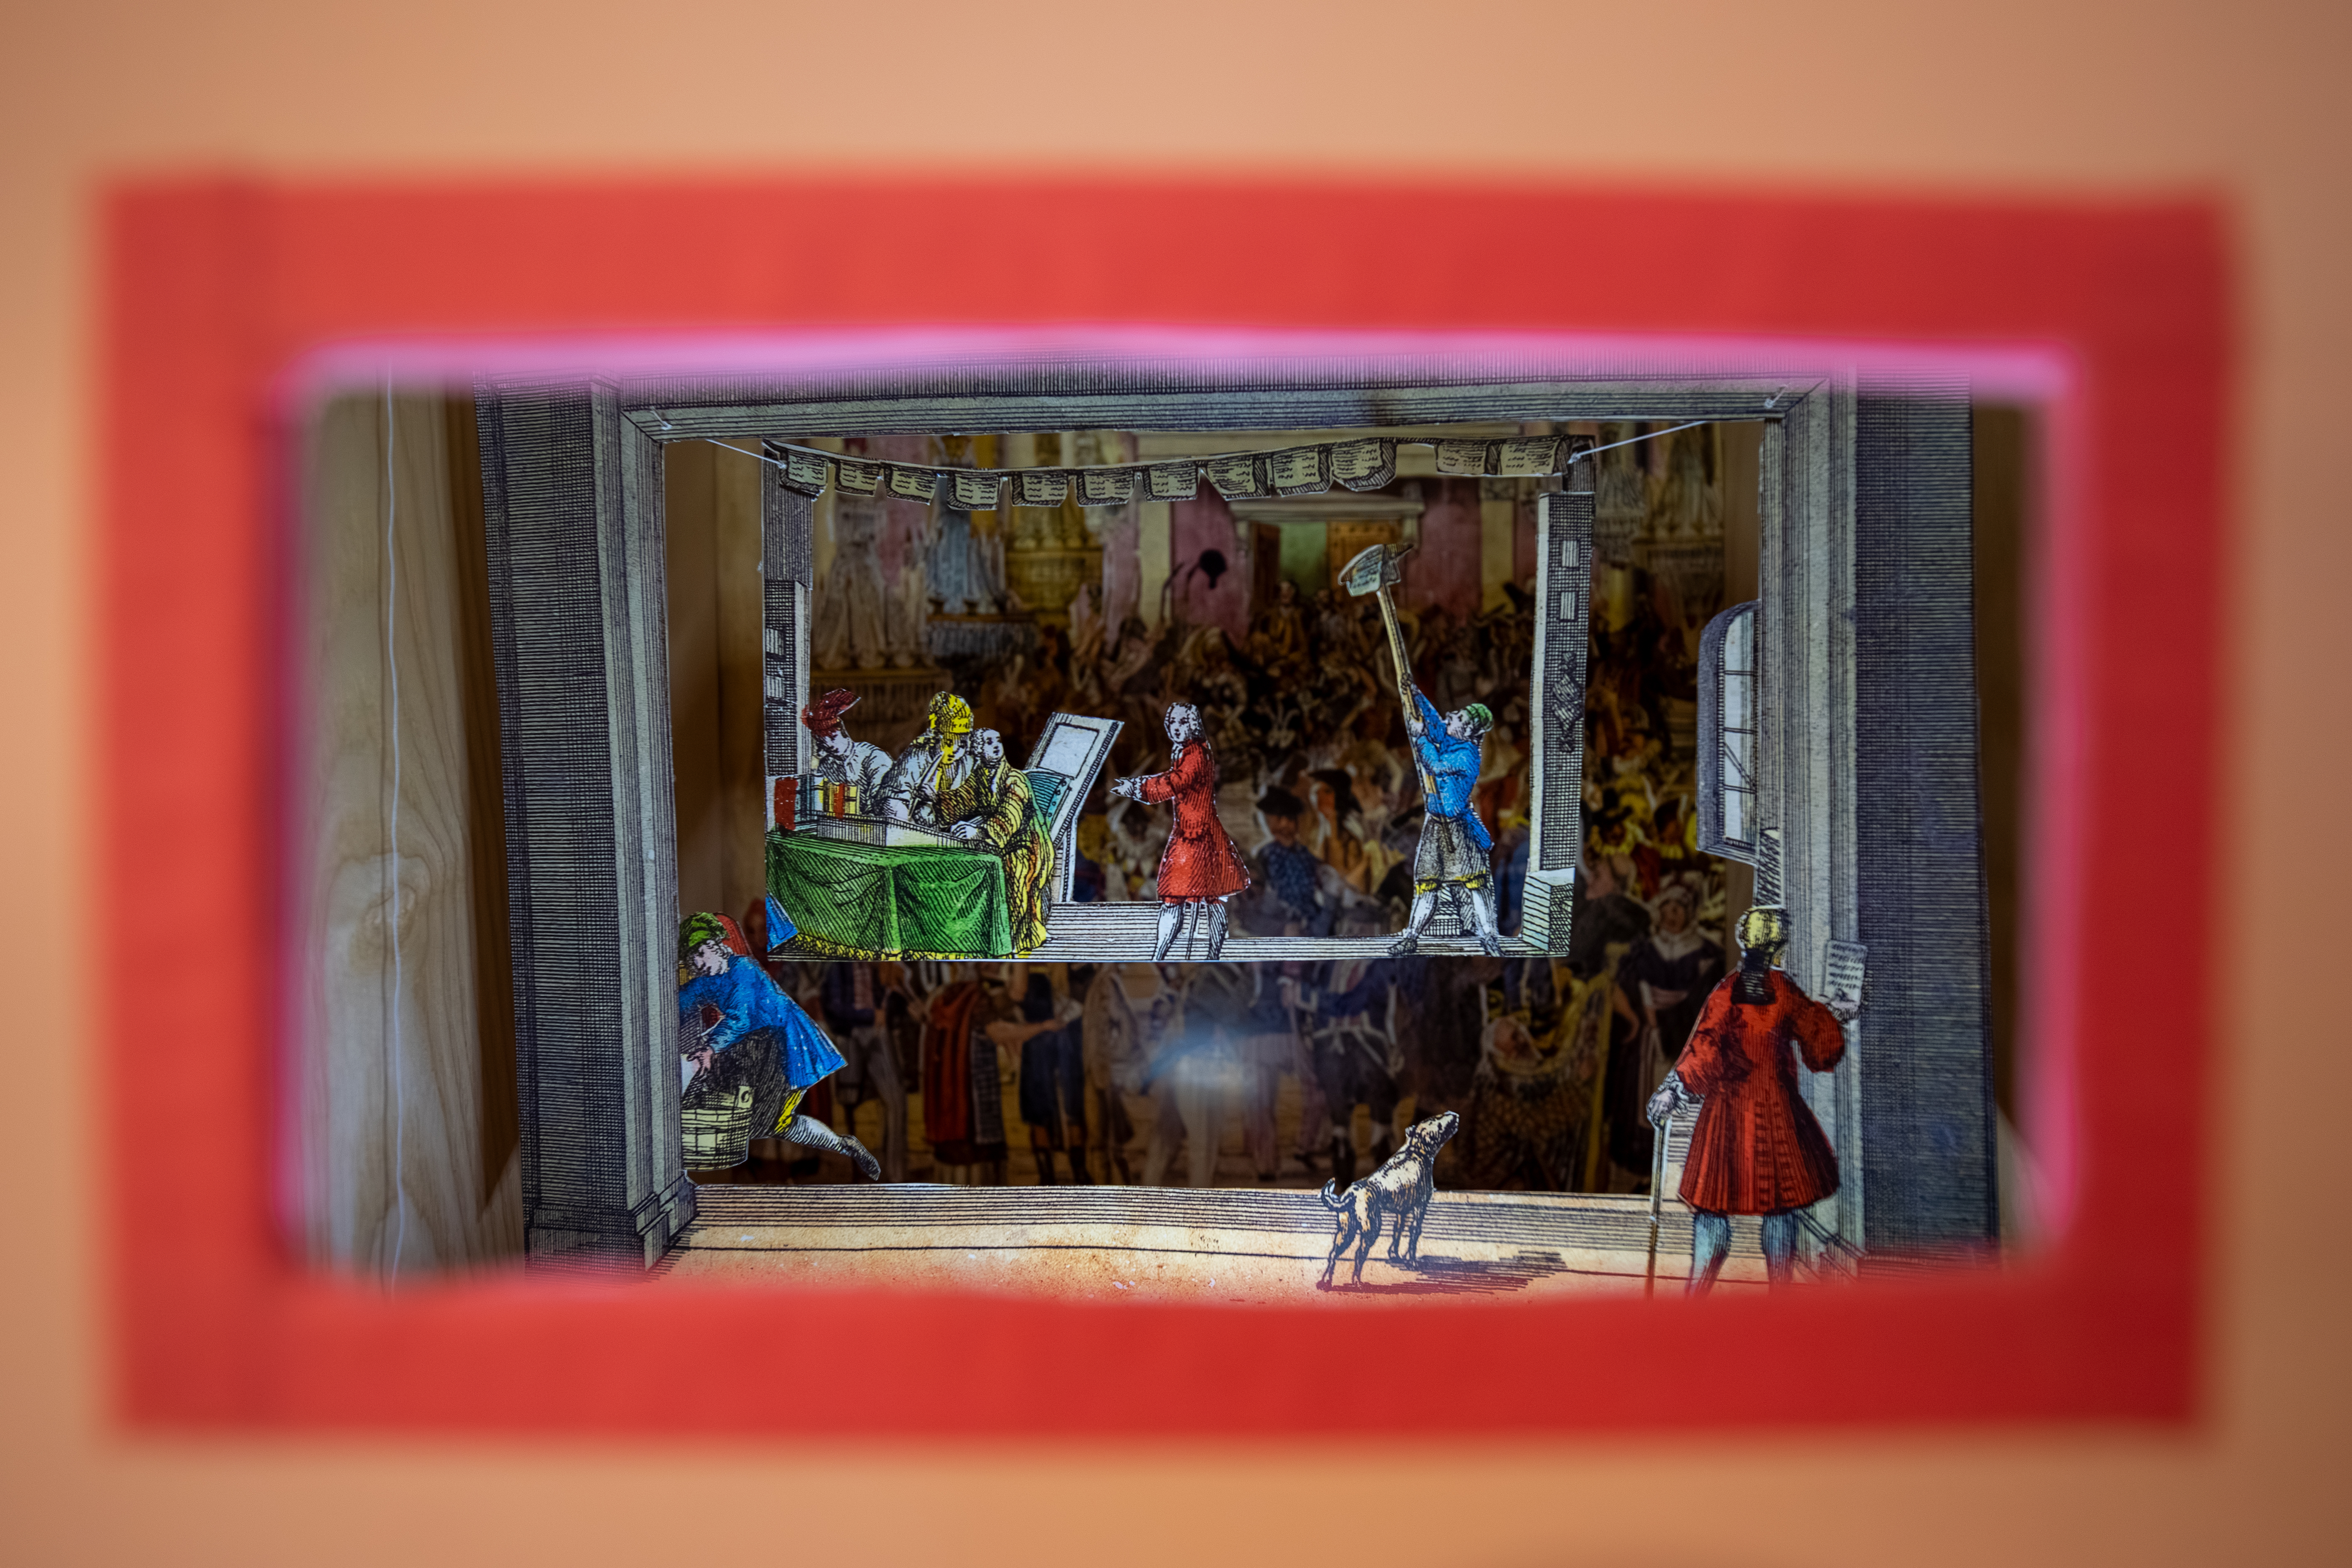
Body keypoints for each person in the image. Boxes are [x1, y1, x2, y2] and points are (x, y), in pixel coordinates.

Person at [1646, 906, 1852, 1295]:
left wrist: (1674, 1089)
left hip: (1727, 1115)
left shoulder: (1727, 990)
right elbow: (1820, 1044)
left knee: (1713, 1209)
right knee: (1780, 1207)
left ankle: (1696, 1296)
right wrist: (1837, 1014)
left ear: (1744, 943)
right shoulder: (1784, 990)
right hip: (1776, 1114)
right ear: (1779, 947)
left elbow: (1704, 1048)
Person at [676, 913, 881, 1179]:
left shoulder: (744, 971)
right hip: (758, 1052)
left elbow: (740, 1019)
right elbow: (685, 999)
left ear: (716, 946)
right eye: (694, 960)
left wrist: (711, 1048)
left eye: (702, 954)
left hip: (788, 1050)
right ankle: (843, 1145)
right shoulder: (711, 976)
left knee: (772, 1122)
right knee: (777, 1125)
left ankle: (838, 1149)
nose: (700, 964)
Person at [1108, 701, 1252, 961]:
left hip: (1201, 838)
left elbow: (1175, 783)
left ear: (1193, 725)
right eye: (1172, 723)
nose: (1176, 728)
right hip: (1186, 835)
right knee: (1175, 897)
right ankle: (1162, 952)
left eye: (1182, 723)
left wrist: (1137, 788)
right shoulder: (1185, 752)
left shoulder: (1197, 754)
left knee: (1209, 899)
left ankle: (1211, 954)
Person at [1606, 877, 1724, 1178]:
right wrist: (1642, 1014)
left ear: (1690, 913)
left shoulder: (1707, 952)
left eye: (1679, 908)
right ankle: (1643, 1158)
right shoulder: (1645, 949)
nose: (1672, 914)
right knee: (1642, 1095)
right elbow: (1624, 984)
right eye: (1667, 907)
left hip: (1686, 1036)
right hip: (1650, 1035)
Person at [1390, 684, 1503, 957]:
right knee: (1426, 884)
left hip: (1458, 829)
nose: (1453, 716)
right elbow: (1437, 726)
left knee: (1476, 883)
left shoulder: (1466, 756)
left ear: (1469, 731)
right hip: (1435, 824)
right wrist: (1417, 696)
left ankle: (1489, 936)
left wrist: (1420, 740)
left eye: (1461, 718)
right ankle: (1412, 937)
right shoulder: (1453, 741)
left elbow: (1437, 765)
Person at [948, 727, 1056, 954]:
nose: (996, 745)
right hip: (996, 844)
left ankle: (1010, 942)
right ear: (978, 750)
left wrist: (978, 832)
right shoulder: (980, 778)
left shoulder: (1014, 779)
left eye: (998, 741)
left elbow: (1011, 815)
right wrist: (936, 799)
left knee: (1014, 883)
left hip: (1024, 846)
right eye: (989, 742)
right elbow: (961, 801)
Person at [817, 960, 908, 1183]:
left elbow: (894, 1002)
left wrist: (892, 990)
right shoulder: (838, 968)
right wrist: (869, 1016)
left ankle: (896, 1174)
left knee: (896, 1100)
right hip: (851, 1034)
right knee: (849, 1102)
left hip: (877, 1031)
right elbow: (835, 1009)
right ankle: (858, 1169)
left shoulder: (878, 966)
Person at [882, 691, 981, 827]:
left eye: (961, 744)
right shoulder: (917, 758)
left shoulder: (971, 764)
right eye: (947, 742)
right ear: (935, 737)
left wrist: (937, 800)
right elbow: (891, 799)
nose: (953, 751)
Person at [1253, 785, 1332, 938]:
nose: (1272, 824)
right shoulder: (1267, 855)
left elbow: (1316, 883)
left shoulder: (1305, 854)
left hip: (1311, 920)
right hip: (1280, 923)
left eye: (1289, 819)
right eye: (1271, 820)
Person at [804, 687, 893, 808]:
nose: (831, 745)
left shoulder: (874, 757)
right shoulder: (826, 765)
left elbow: (882, 800)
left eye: (833, 738)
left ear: (843, 731)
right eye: (824, 743)